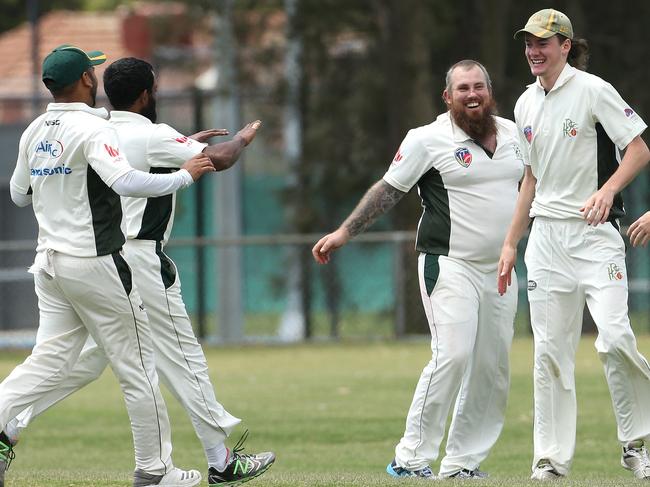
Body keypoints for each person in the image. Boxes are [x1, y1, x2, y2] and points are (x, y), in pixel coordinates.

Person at [1, 57, 275, 487]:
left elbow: (23, 192)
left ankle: (8, 427)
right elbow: (208, 161)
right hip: (124, 260)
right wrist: (238, 139)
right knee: (171, 360)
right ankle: (207, 463)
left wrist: (182, 146)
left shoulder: (70, 128)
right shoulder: (124, 132)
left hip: (59, 260)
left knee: (76, 361)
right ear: (146, 93)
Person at [313, 60, 524, 479]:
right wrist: (344, 232)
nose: (472, 94)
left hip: (500, 269)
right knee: (453, 354)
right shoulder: (427, 139)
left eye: (479, 86)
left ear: (490, 90)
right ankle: (409, 458)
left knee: (492, 367)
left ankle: (462, 463)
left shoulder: (516, 133)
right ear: (447, 96)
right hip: (449, 264)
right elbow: (389, 189)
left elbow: (533, 185)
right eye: (462, 88)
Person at [498, 8, 650, 481]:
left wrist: (607, 191)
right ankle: (551, 458)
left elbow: (639, 149)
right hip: (545, 239)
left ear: (566, 46)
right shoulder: (525, 103)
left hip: (594, 236)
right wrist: (510, 244)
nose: (533, 51)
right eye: (528, 43)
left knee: (615, 337)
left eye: (543, 43)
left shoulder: (592, 89)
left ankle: (638, 442)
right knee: (549, 351)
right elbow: (530, 179)